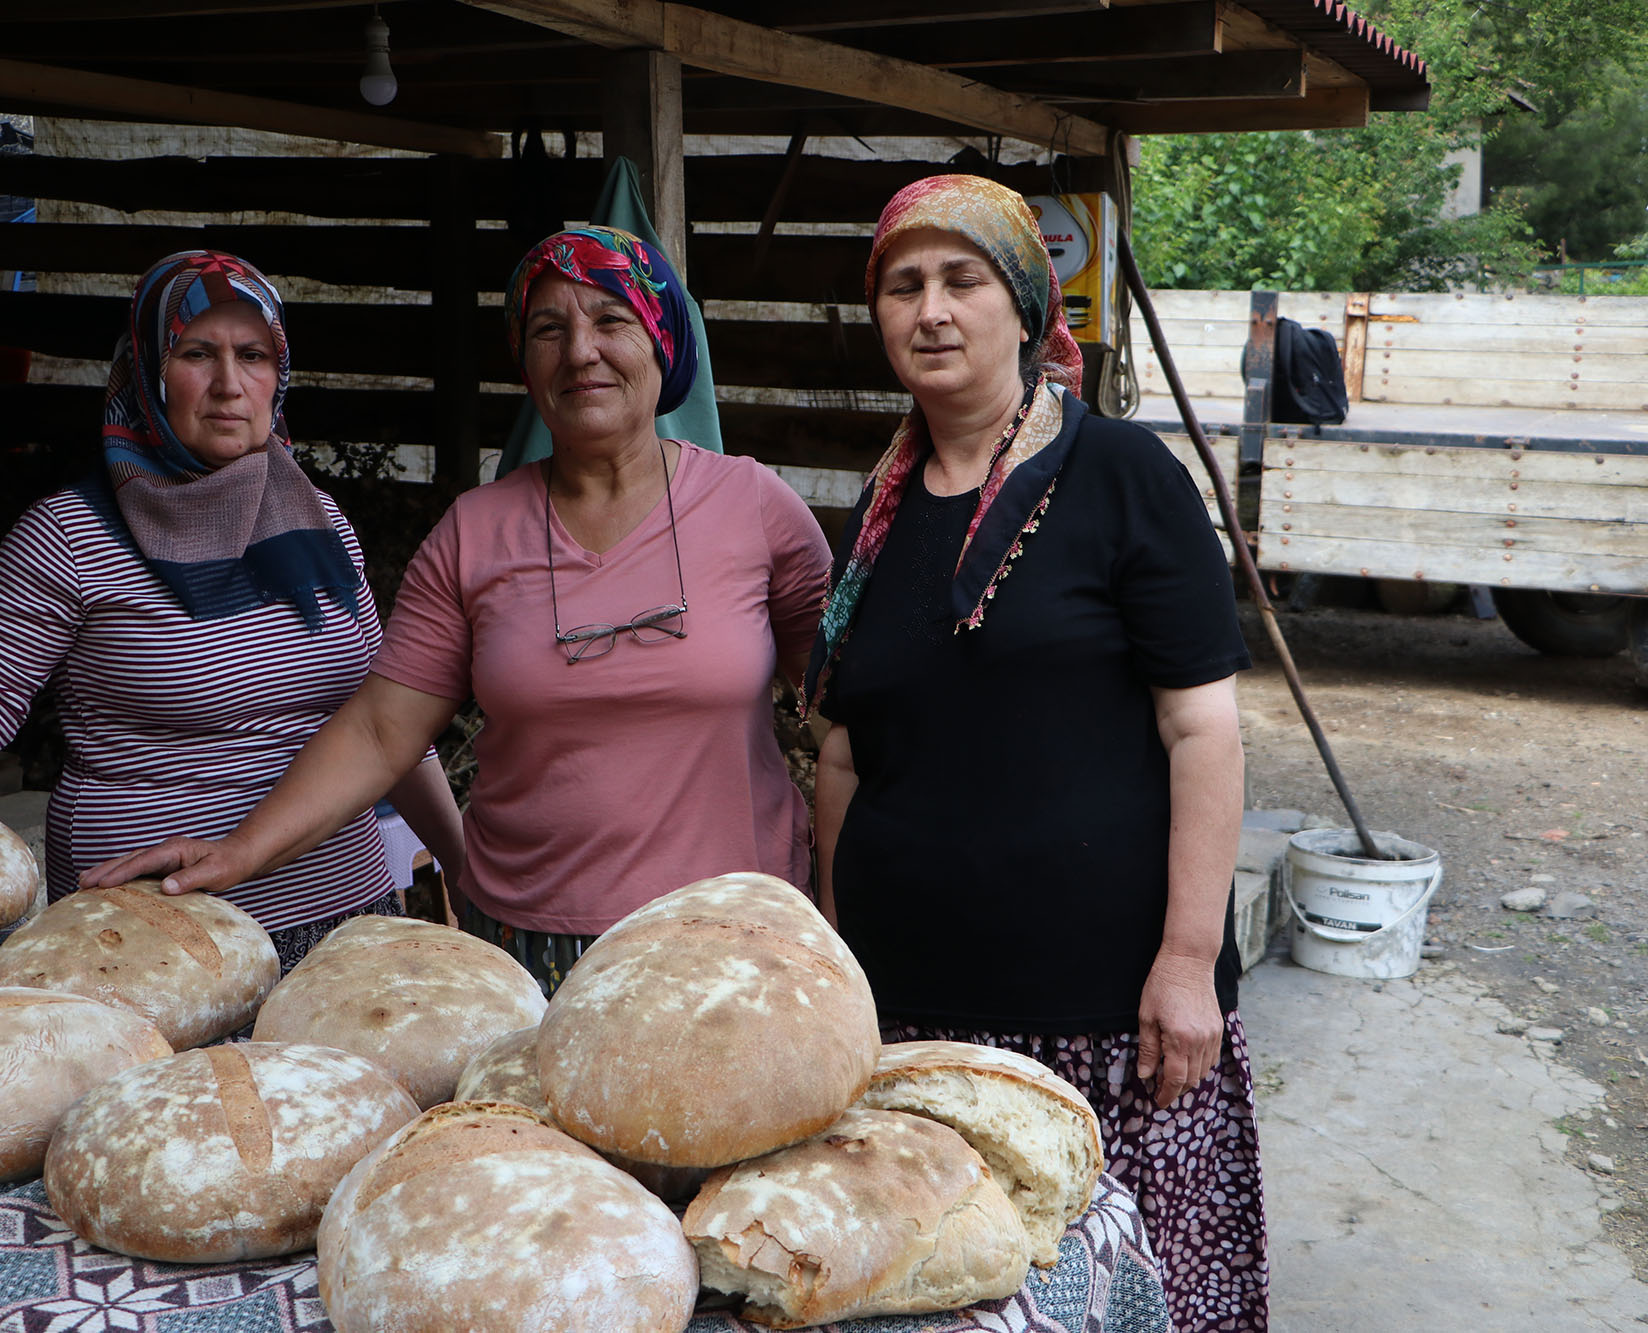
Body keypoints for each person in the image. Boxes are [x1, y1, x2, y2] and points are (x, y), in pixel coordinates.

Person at [84, 227, 832, 994]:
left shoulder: (756, 508)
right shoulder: (476, 531)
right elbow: (382, 729)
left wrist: (845, 910)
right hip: (532, 948)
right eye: (549, 329)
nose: (580, 352)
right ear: (526, 361)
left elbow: (846, 725)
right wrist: (239, 851)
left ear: (663, 340)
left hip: (740, 936)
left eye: (612, 321)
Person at [805, 176, 1267, 1330]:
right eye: (903, 286)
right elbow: (844, 753)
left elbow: (1198, 725)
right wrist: (833, 960)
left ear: (1022, 304)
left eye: (962, 280)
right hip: (916, 1021)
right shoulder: (876, 510)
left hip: (1106, 1016)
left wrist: (1185, 959)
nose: (932, 311)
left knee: (1127, 1293)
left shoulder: (1120, 476)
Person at [0, 250, 466, 972]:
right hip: (155, 942)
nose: (230, 384)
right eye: (197, 352)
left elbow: (392, 722)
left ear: (278, 376)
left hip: (344, 924)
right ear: (146, 369)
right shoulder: (70, 536)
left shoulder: (320, 524)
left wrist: (465, 863)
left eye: (252, 355)